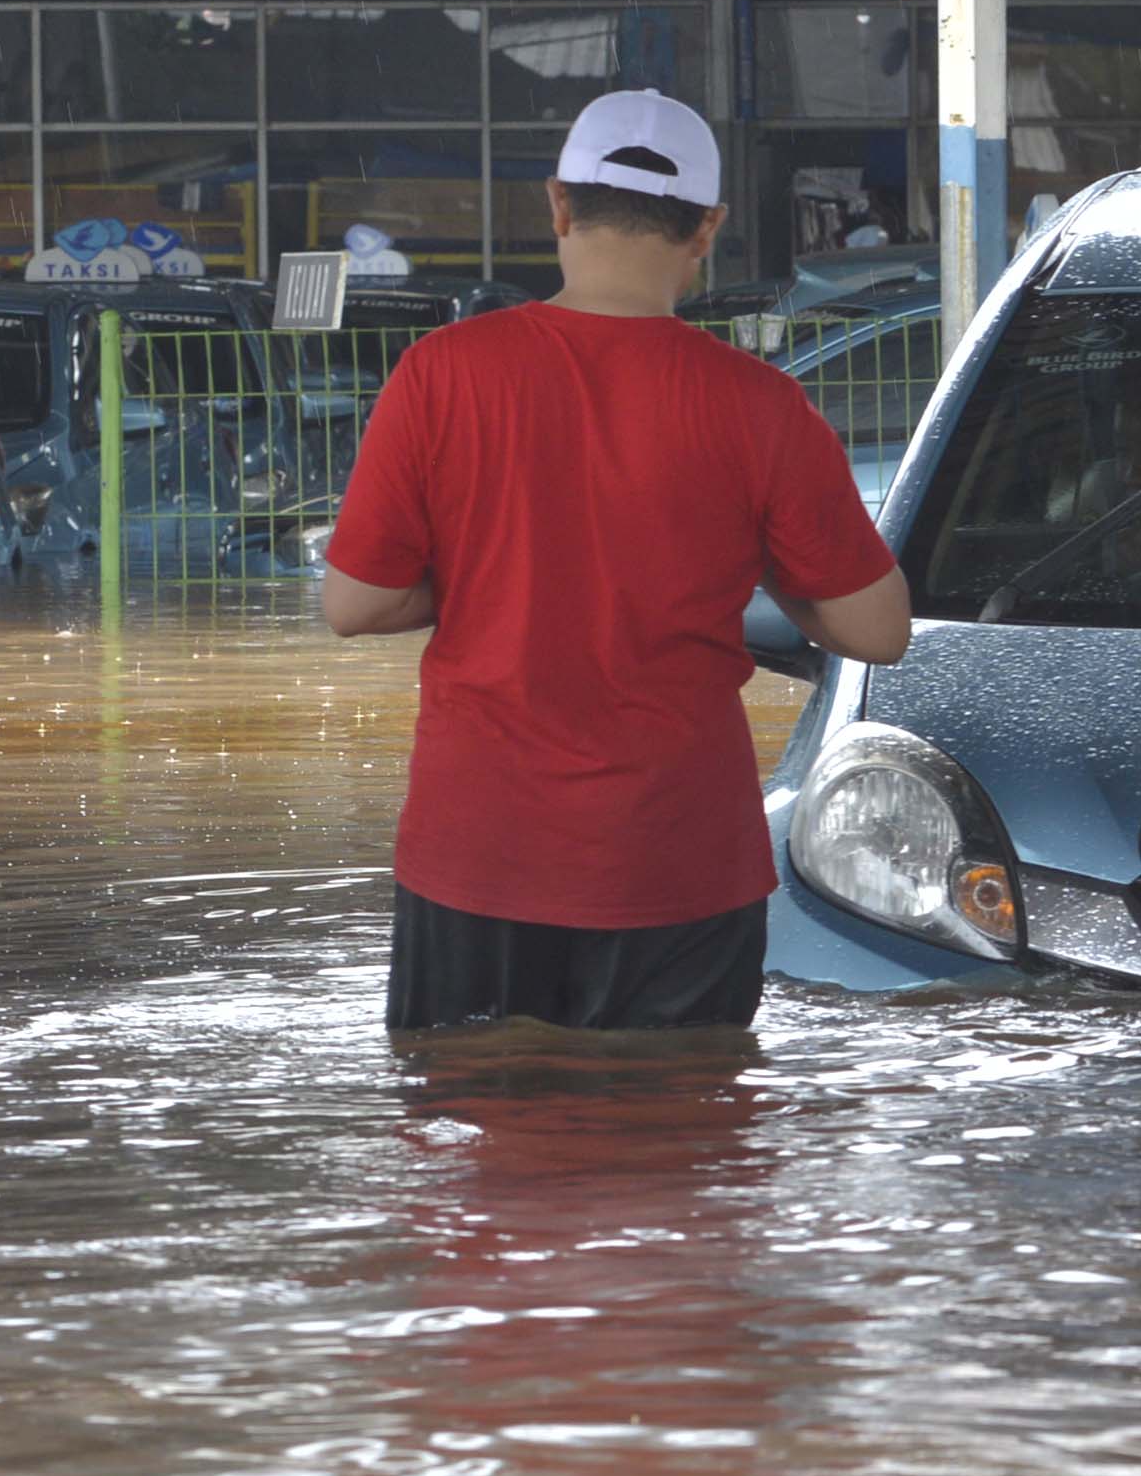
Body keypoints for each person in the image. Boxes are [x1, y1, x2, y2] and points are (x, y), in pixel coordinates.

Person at [321, 89, 913, 1037]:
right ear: (708, 227)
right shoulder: (761, 407)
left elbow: (355, 603)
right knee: (675, 1150)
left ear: (558, 204)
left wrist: (487, 573)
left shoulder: (442, 373)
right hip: (676, 858)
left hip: (480, 848)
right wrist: (748, 559)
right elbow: (878, 632)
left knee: (475, 1152)